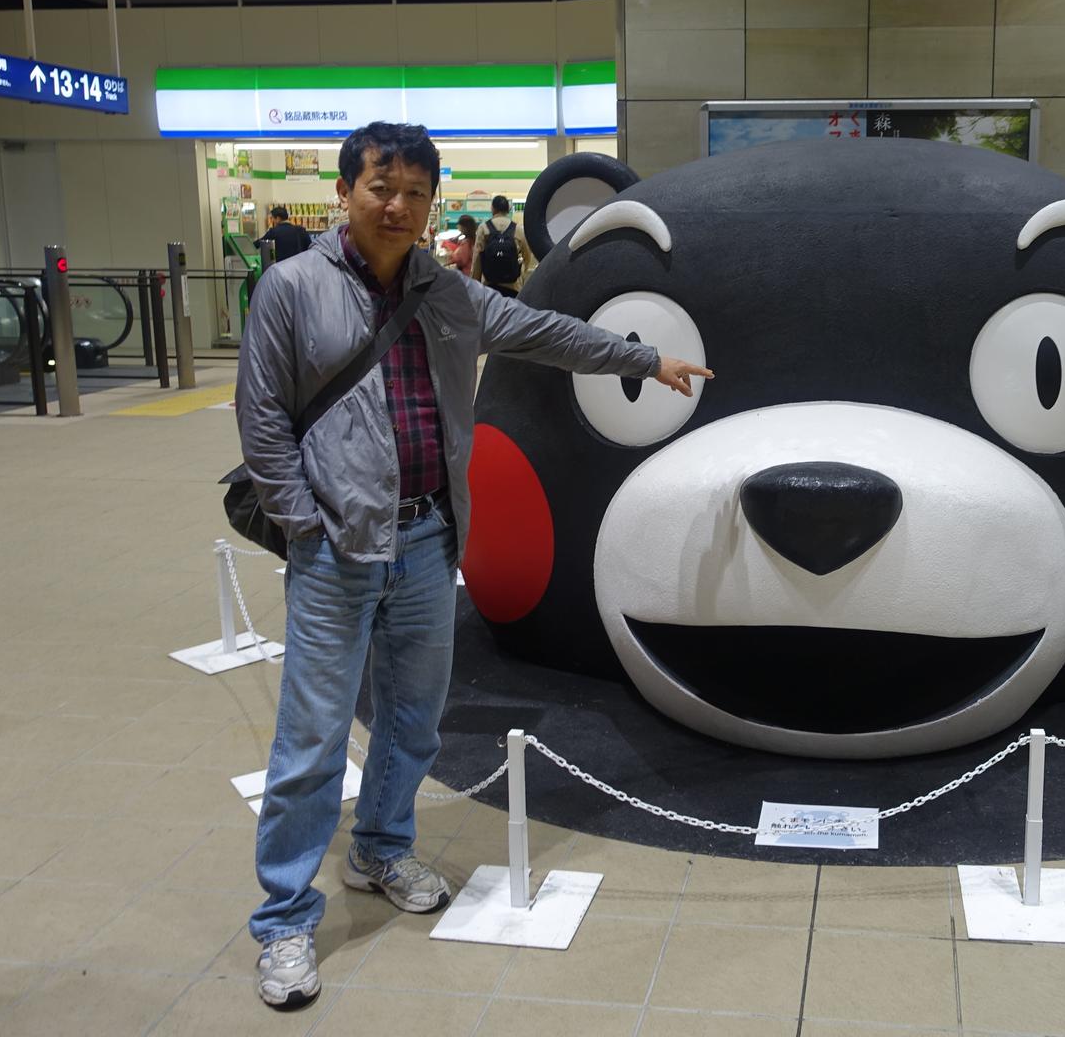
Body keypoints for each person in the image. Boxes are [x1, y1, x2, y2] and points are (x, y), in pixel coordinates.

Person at [236, 122, 712, 1010]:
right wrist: (304, 525)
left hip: (425, 544)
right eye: (382, 187)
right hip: (336, 549)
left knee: (415, 723)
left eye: (415, 192)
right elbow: (262, 421)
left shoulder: (446, 291)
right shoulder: (292, 289)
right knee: (310, 742)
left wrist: (646, 359)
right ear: (347, 192)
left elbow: (543, 331)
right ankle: (285, 921)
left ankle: (379, 850)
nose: (398, 206)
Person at [467, 196, 538, 297]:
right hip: (513, 285)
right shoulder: (517, 228)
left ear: (492, 208)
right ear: (508, 209)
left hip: (489, 285)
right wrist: (522, 272)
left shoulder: (484, 228)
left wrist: (475, 283)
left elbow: (477, 258)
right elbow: (527, 255)